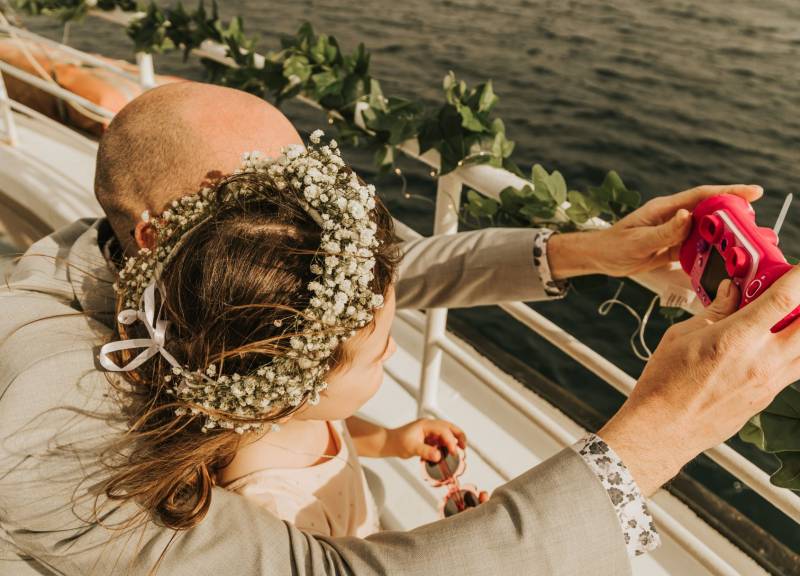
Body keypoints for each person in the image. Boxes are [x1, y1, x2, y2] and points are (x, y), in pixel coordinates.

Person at [0, 82, 793, 576]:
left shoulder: (201, 258)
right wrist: (674, 422)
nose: (314, 216)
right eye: (278, 191)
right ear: (160, 230)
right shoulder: (48, 426)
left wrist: (598, 251)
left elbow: (354, 276)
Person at [95, 130, 478, 539]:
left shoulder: (291, 413)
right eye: (377, 354)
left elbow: (331, 435)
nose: (392, 351)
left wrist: (390, 441)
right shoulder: (278, 513)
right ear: (294, 383)